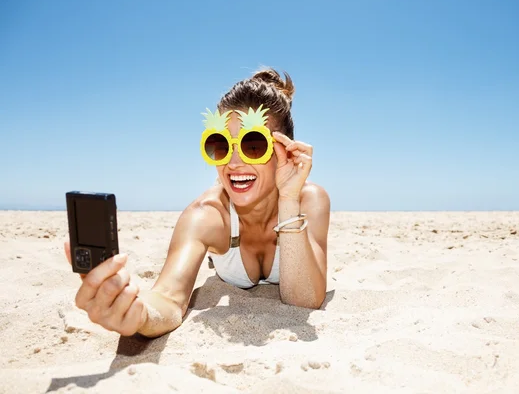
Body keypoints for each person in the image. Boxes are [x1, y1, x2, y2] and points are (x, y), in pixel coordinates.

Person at [63, 68, 331, 338]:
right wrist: (141, 314)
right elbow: (168, 298)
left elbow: (305, 301)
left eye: (253, 145)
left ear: (285, 150)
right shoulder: (206, 215)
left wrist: (288, 198)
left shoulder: (310, 200)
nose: (233, 163)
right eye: (221, 145)